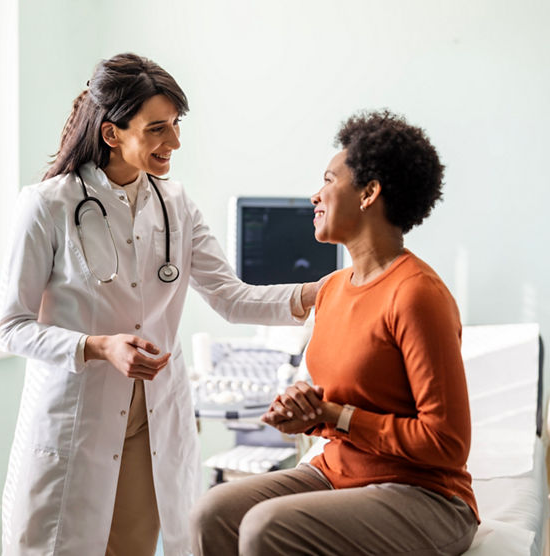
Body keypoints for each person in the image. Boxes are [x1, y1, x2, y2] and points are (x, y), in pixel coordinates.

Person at [0, 53, 322, 556]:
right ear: (111, 134)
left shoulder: (176, 204)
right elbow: (11, 327)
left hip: (150, 423)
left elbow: (232, 299)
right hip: (77, 421)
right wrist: (99, 346)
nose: (174, 142)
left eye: (175, 125)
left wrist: (322, 292)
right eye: (157, 129)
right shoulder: (47, 206)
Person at [190, 110, 480, 556]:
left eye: (328, 180)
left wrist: (335, 415)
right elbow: (343, 395)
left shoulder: (417, 295)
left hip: (425, 494)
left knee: (266, 528)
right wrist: (307, 409)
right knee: (211, 513)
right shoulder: (332, 290)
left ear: (369, 193)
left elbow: (447, 444)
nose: (315, 195)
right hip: (338, 472)